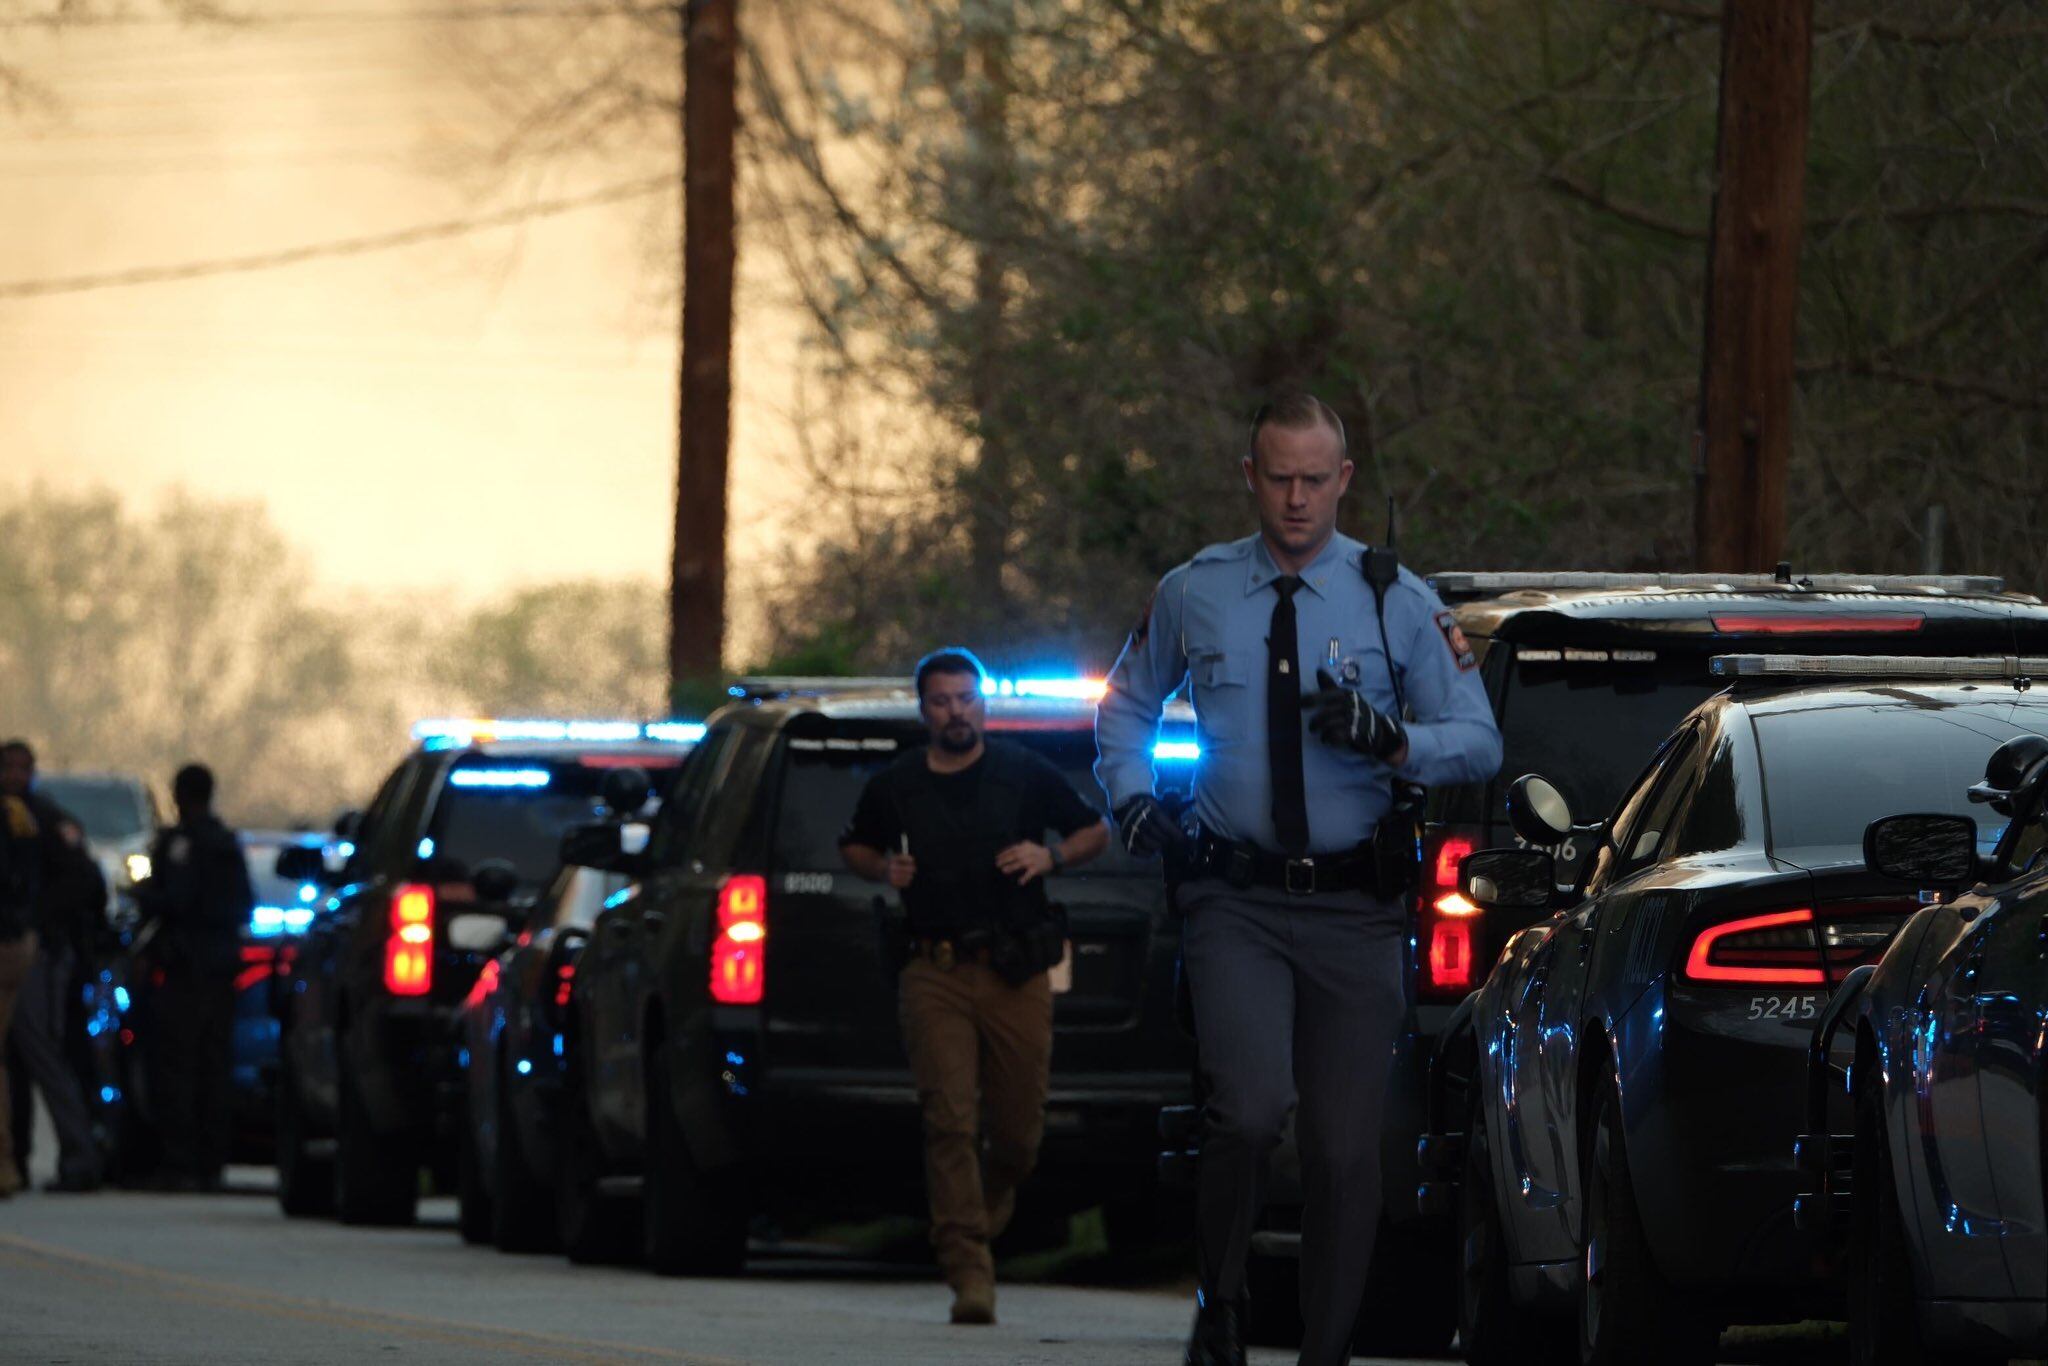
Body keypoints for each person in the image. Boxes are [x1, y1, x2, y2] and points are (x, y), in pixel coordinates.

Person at [1095, 394, 1502, 1366]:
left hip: (1354, 909)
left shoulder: (1394, 601)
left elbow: (1479, 740)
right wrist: (1132, 797)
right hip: (1234, 898)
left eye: (1314, 480)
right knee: (1244, 1111)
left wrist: (1394, 741)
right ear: (1250, 476)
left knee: (1344, 1148)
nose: (1295, 498)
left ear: (1343, 479)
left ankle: (1326, 1346)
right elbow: (1122, 706)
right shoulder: (1194, 590)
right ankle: (1223, 1300)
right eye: (1278, 478)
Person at [839, 648, 1111, 1327]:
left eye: (966, 698)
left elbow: (1094, 831)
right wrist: (884, 869)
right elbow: (856, 845)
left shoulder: (1023, 773)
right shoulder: (898, 784)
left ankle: (984, 1207)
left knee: (1018, 1132)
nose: (955, 712)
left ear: (983, 704)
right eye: (941, 701)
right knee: (950, 1119)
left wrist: (1050, 855)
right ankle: (968, 1269)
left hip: (1015, 970)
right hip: (933, 970)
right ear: (923, 709)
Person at [133, 763, 253, 1192]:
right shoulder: (226, 843)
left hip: (186, 970)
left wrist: (143, 895)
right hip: (220, 969)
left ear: (180, 795)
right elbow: (243, 903)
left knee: (177, 1067)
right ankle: (210, 1163)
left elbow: (176, 901)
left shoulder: (184, 844)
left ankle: (181, 1162)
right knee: (213, 1066)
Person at [0, 739, 108, 1193]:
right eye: (8, 767)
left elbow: (83, 880)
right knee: (15, 1058)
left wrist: (34, 921)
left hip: (37, 953)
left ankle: (79, 1157)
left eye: (22, 768)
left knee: (41, 1051)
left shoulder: (41, 818)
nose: (14, 776)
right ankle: (17, 1159)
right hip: (24, 946)